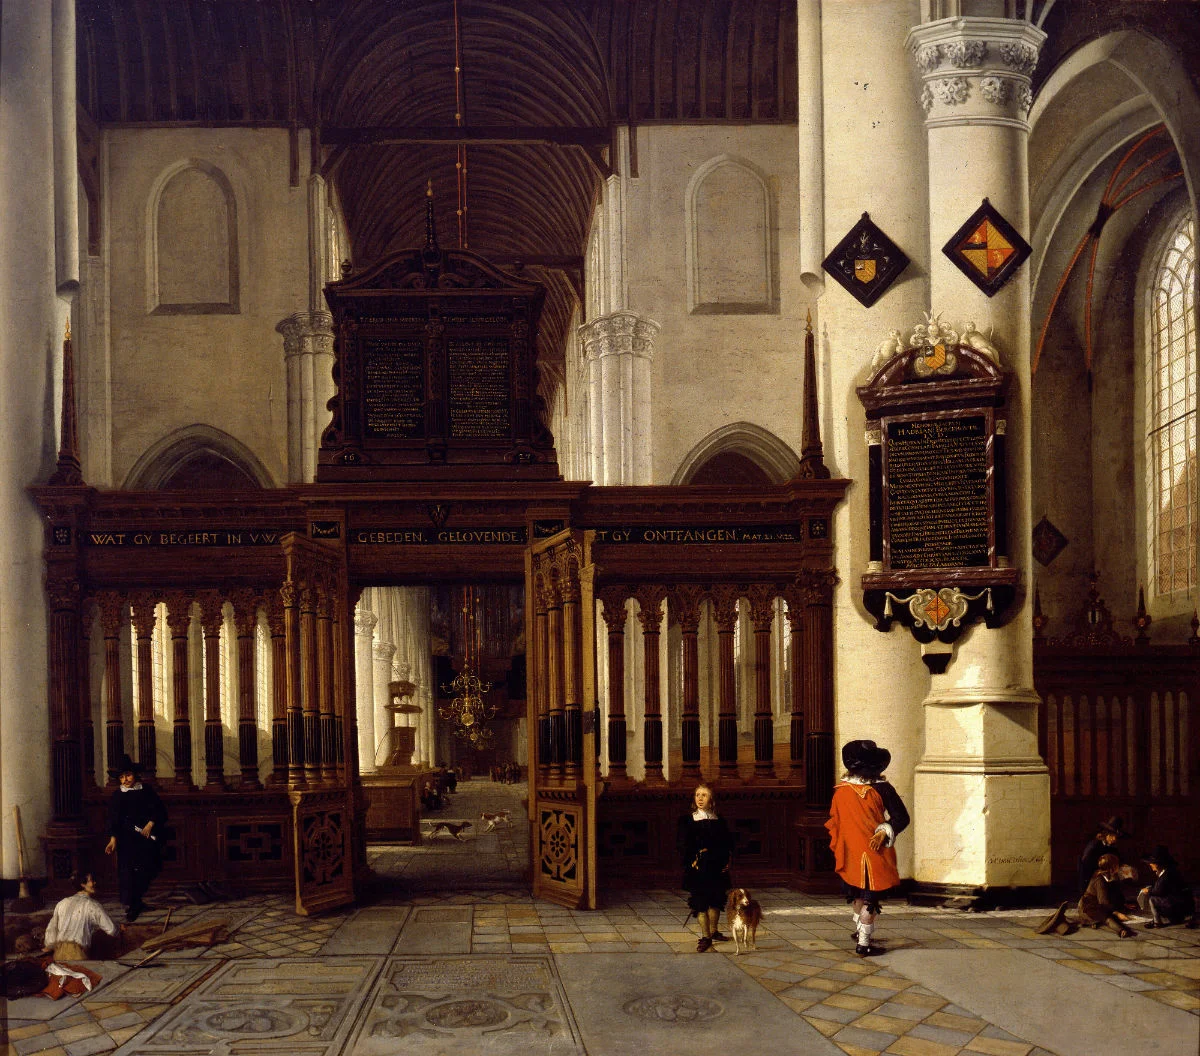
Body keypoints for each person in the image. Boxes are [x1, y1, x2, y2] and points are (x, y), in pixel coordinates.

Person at [826, 739, 910, 957]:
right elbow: (901, 818)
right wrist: (884, 830)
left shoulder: (840, 790)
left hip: (851, 854)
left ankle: (859, 932)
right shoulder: (883, 789)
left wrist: (878, 832)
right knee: (870, 899)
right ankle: (863, 943)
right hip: (874, 854)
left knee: (857, 895)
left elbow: (836, 823)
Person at [105, 754, 168, 922]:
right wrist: (112, 840)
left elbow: (159, 810)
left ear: (135, 775)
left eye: (128, 775)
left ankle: (138, 900)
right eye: (122, 777)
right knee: (128, 872)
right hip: (126, 840)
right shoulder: (117, 796)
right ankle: (133, 905)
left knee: (147, 868)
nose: (125, 779)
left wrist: (150, 824)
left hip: (145, 838)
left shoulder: (146, 791)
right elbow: (113, 820)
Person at [676, 784, 733, 952]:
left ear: (711, 799)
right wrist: (692, 861)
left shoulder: (719, 820)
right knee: (701, 903)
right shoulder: (687, 820)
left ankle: (714, 931)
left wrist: (727, 861)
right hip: (698, 868)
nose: (700, 798)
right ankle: (706, 936)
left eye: (704, 795)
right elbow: (681, 845)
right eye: (697, 795)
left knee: (715, 901)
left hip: (717, 867)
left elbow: (727, 844)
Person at [43, 872, 119, 961]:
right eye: (91, 881)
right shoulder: (92, 905)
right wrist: (118, 927)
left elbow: (51, 931)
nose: (94, 883)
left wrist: (49, 946)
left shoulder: (62, 903)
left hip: (59, 954)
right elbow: (112, 930)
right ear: (82, 884)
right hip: (77, 954)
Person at [1138, 845, 1197, 928]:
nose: (1151, 867)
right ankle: (1165, 919)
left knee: (1152, 900)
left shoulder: (1167, 875)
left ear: (1158, 864)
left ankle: (1157, 923)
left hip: (1178, 905)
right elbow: (1163, 888)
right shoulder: (1168, 871)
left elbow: (1158, 891)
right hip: (1178, 903)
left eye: (1152, 865)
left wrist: (1148, 891)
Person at [1079, 853, 1136, 936]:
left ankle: (1095, 922)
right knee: (1107, 917)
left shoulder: (1110, 876)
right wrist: (1117, 913)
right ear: (1111, 868)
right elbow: (1103, 902)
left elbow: (1115, 892)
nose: (1119, 867)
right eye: (1117, 865)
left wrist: (1124, 904)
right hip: (1089, 907)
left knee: (1112, 911)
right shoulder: (1099, 880)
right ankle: (1121, 930)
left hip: (1100, 904)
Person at [1077, 816, 1128, 897]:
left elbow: (1117, 861)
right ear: (1106, 834)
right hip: (1092, 883)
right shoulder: (1094, 846)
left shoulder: (1112, 847)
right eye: (1112, 835)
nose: (1114, 839)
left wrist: (1123, 867)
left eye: (1116, 837)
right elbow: (1085, 868)